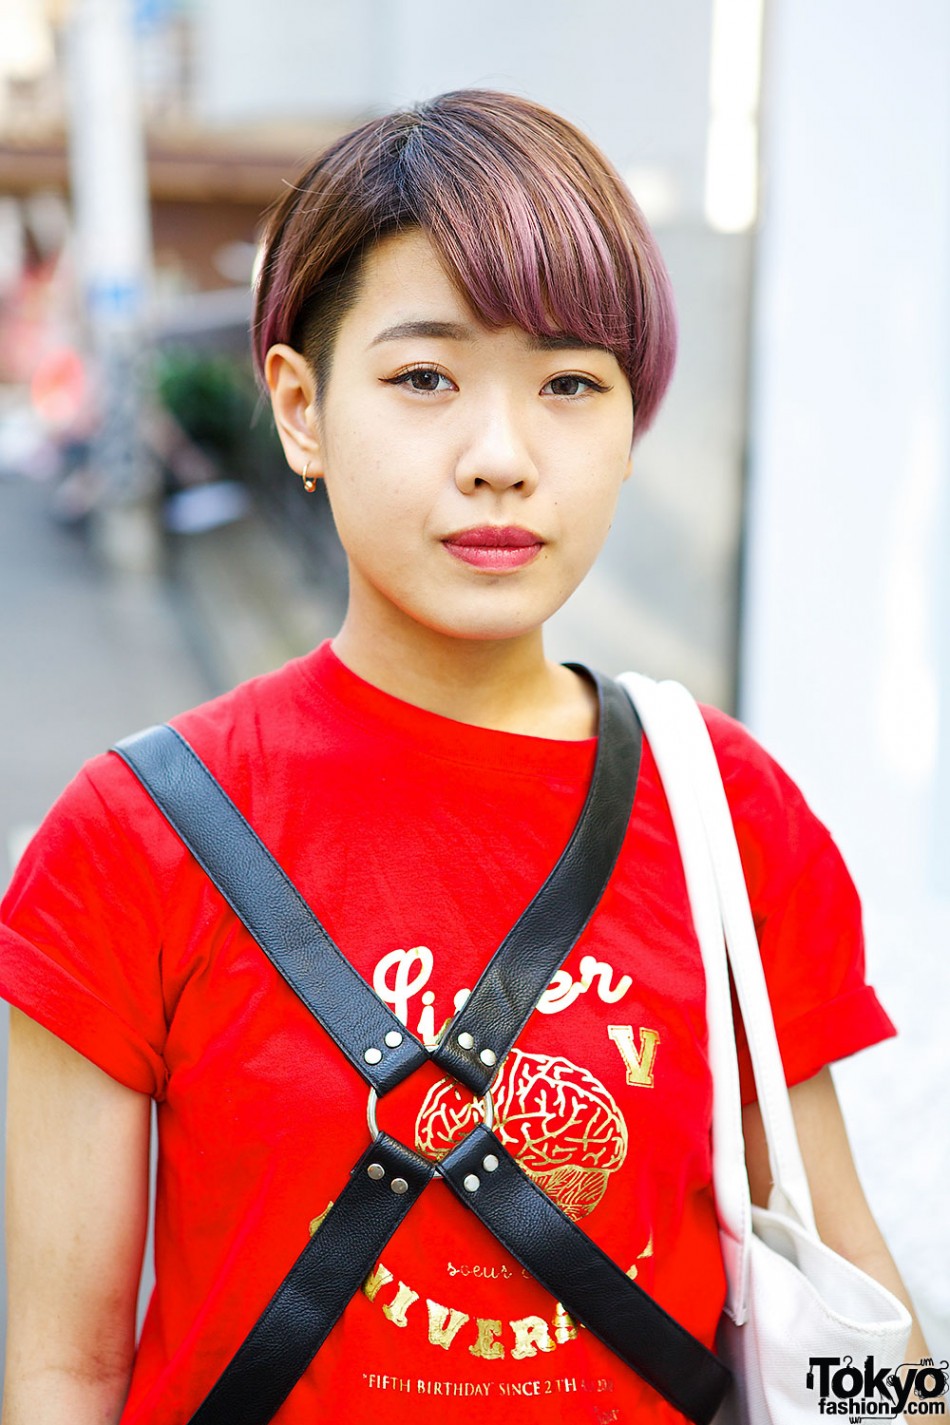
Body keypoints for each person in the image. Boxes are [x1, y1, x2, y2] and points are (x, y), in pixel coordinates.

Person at [0, 90, 927, 1425]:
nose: (500, 458)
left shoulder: (725, 808)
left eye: (567, 385)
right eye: (424, 377)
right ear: (301, 411)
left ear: (625, 431)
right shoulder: (131, 831)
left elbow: (857, 1302)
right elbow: (59, 1373)